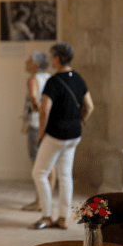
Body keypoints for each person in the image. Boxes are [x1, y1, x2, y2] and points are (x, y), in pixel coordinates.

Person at [29, 43, 94, 230]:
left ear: (57, 59)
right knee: (65, 175)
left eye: (51, 57)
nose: (50, 60)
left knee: (39, 173)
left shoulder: (54, 81)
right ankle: (63, 219)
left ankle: (47, 216)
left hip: (56, 135)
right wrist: (78, 121)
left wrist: (41, 134)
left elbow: (43, 110)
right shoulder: (79, 78)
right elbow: (89, 106)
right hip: (74, 135)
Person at [21, 52, 54, 212]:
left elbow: (33, 98)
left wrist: (37, 109)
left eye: (29, 60)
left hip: (36, 124)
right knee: (50, 164)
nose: (26, 63)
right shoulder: (49, 78)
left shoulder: (33, 79)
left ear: (35, 64)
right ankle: (46, 200)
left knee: (37, 164)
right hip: (49, 124)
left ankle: (39, 201)